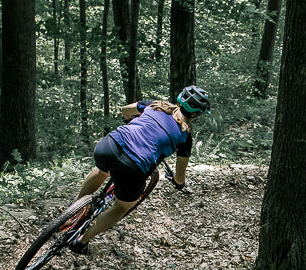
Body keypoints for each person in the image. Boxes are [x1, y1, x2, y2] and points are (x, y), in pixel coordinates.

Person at [69, 85, 211, 253]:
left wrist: (129, 119)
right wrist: (178, 182)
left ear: (180, 99)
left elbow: (126, 110)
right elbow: (180, 177)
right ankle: (81, 242)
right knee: (122, 207)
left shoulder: (156, 105)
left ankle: (73, 211)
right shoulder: (185, 136)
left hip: (109, 145)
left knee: (102, 171)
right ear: (195, 114)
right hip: (133, 167)